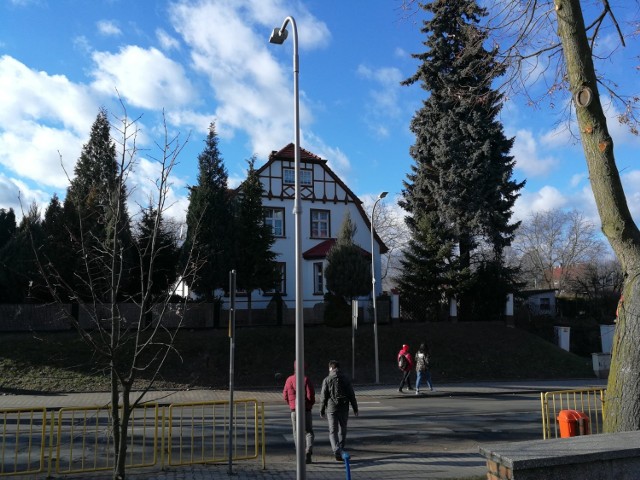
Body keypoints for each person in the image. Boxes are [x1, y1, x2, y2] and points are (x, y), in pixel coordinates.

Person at [319, 360, 358, 462]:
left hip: (331, 409)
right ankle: (341, 447)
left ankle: (336, 450)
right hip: (344, 408)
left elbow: (323, 396)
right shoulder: (345, 379)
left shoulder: (327, 380)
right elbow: (351, 394)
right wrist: (355, 408)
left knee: (333, 431)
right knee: (343, 428)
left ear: (330, 368)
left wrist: (322, 409)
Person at [282, 361, 315, 464]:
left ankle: (300, 453)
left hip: (294, 411)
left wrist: (291, 405)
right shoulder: (306, 379)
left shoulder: (289, 380)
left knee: (296, 433)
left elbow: (285, 396)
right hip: (306, 410)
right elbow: (310, 396)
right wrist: (309, 404)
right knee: (308, 431)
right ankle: (308, 450)